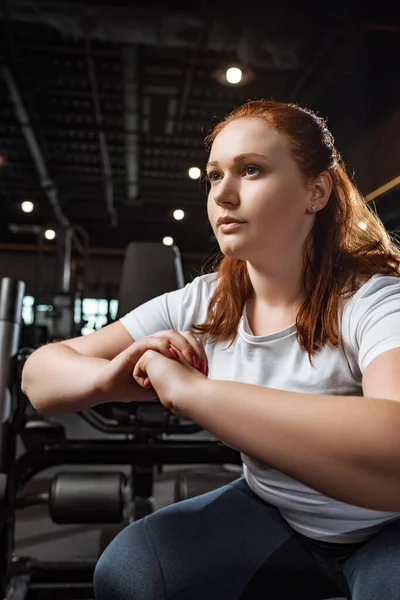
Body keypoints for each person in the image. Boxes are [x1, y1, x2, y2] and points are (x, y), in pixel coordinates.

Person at [22, 99, 400, 600]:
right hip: (278, 509)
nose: (222, 193)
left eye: (250, 170)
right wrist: (106, 377)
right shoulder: (205, 300)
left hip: (386, 527)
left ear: (317, 190)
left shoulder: (372, 299)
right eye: (213, 175)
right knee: (133, 573)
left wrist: (192, 393)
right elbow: (40, 375)